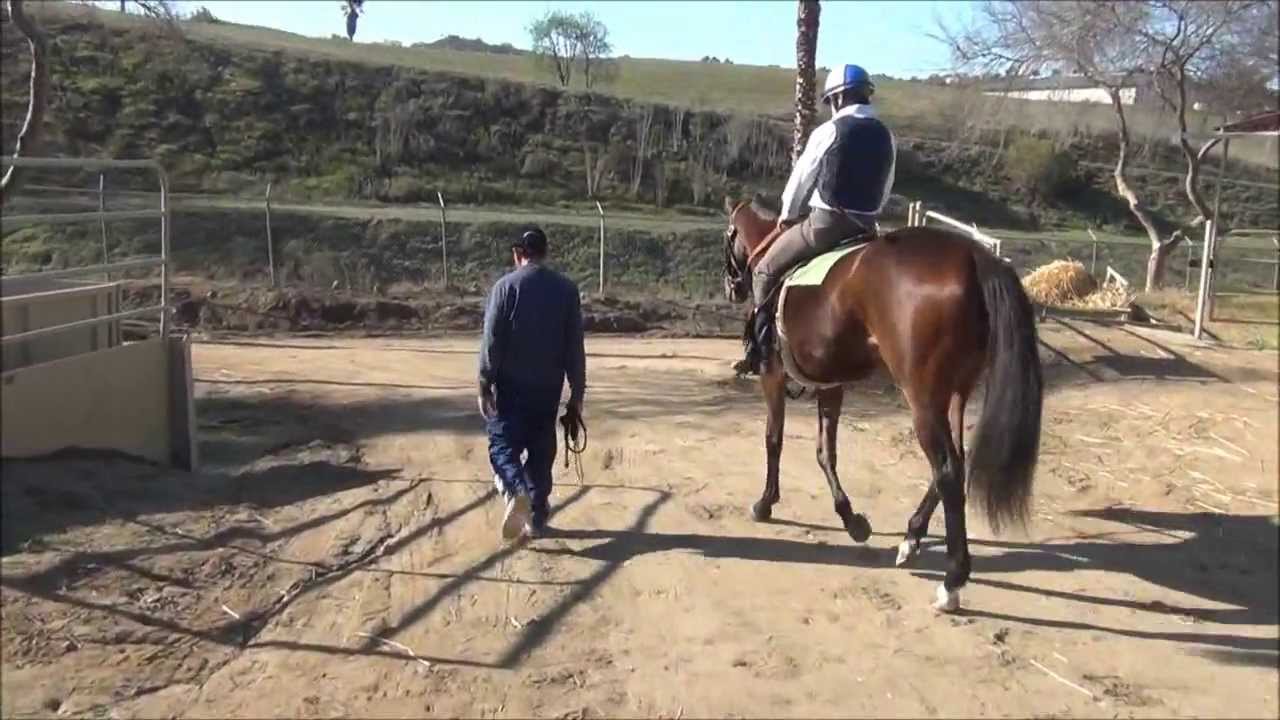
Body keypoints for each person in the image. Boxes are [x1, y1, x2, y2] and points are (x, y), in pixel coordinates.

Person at [735, 63, 897, 376]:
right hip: (867, 227)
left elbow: (801, 179)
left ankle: (765, 357)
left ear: (836, 99)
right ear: (867, 96)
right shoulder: (886, 135)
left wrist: (787, 216)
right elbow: (887, 184)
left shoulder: (829, 131)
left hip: (826, 225)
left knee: (765, 272)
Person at [478, 226, 587, 541]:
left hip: (510, 388)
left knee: (501, 446)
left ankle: (516, 489)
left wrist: (485, 382)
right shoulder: (566, 290)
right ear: (544, 253)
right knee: (541, 451)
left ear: (517, 254)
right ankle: (537, 515)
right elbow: (574, 346)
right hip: (548, 389)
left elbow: (492, 341)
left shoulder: (505, 287)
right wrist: (576, 394)